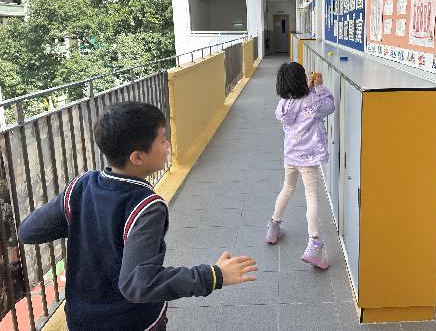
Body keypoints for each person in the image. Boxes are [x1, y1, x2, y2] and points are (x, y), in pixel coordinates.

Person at [18, 102, 257, 331]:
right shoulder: (147, 206)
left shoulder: (80, 186)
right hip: (132, 322)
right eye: (162, 140)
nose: (168, 145)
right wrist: (213, 275)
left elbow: (28, 231)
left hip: (81, 320)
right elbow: (138, 284)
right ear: (137, 157)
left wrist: (87, 220)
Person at [266, 62, 335, 270]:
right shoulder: (312, 99)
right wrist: (319, 87)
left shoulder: (284, 103)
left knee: (287, 188)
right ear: (301, 80)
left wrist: (309, 89)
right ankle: (314, 243)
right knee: (311, 196)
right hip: (308, 157)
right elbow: (329, 106)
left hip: (290, 155)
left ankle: (273, 227)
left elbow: (296, 105)